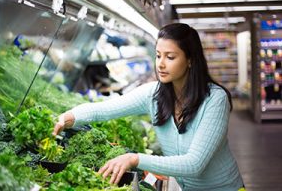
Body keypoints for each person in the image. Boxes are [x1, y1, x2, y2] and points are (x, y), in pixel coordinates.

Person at [53, 23, 244, 191]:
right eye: (158, 55)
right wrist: (69, 117)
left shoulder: (215, 100)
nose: (160, 64)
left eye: (170, 57)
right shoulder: (154, 94)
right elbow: (104, 109)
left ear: (190, 60)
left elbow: (194, 164)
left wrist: (135, 159)